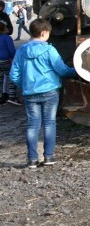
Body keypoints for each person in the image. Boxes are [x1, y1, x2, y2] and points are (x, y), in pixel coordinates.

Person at [9, 18, 77, 168]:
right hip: (49, 92)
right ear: (44, 32)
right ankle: (49, 157)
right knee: (49, 123)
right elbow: (62, 70)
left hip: (29, 93)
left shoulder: (22, 51)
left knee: (32, 125)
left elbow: (13, 75)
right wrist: (76, 71)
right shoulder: (49, 50)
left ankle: (32, 160)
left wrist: (25, 85)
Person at [0, 20, 16, 104]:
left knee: (0, 79)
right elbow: (12, 50)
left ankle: (0, 96)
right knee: (12, 78)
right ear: (3, 28)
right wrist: (14, 58)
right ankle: (12, 97)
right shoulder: (7, 38)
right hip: (5, 61)